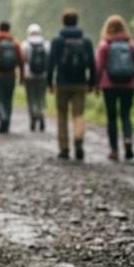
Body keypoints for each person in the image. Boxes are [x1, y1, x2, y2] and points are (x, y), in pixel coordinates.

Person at [47, 9, 96, 161]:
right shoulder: (86, 40)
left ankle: (64, 148)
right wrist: (91, 82)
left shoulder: (57, 40)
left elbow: (51, 63)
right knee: (78, 114)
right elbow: (92, 63)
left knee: (62, 115)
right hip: (80, 83)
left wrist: (50, 82)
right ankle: (78, 141)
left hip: (62, 83)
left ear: (63, 21)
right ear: (77, 21)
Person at [96, 14, 134, 162]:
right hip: (129, 85)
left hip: (109, 85)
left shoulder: (105, 45)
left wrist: (96, 84)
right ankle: (128, 140)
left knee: (112, 117)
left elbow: (99, 66)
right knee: (126, 114)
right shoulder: (131, 44)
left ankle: (114, 150)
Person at [20, 23, 49, 133]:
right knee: (41, 96)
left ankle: (33, 116)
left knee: (31, 97)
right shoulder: (45, 44)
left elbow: (23, 60)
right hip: (43, 75)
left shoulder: (25, 44)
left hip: (29, 75)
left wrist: (21, 76)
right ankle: (41, 114)